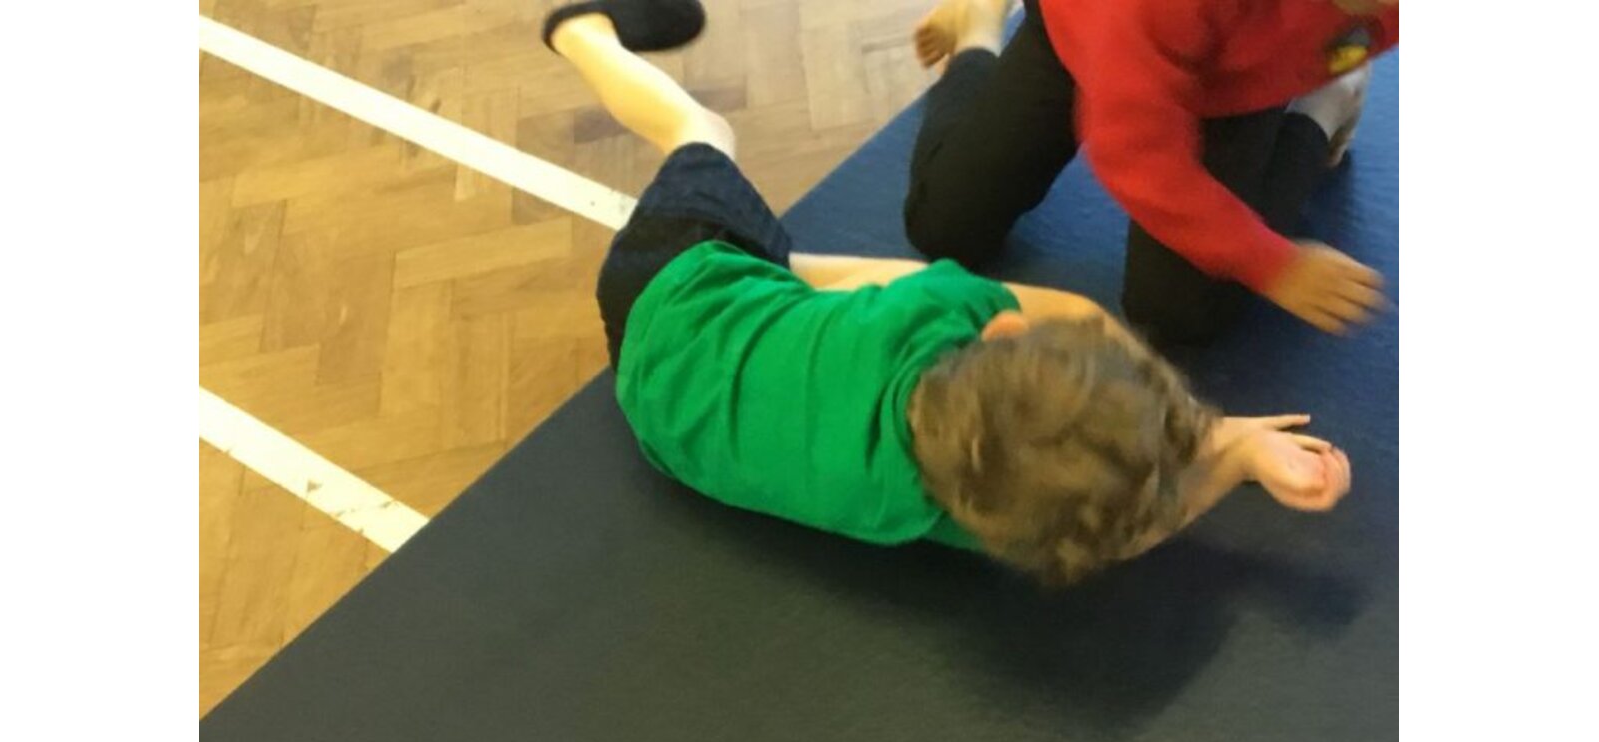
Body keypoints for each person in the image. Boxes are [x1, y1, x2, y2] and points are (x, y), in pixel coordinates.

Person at [541, 0, 1352, 585]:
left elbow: (893, 285)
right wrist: (1233, 453)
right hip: (651, 400)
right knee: (764, 187)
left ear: (998, 333)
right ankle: (583, 28)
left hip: (680, 279)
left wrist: (1217, 437)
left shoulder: (924, 319)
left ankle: (586, 31)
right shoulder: (974, 509)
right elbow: (1125, 526)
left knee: (704, 137)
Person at [905, 0, 1399, 344]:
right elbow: (1131, 151)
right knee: (944, 224)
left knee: (1178, 314)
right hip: (1090, 29)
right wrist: (1272, 262)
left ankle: (1321, 103)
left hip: (1238, 77)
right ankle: (976, 28)